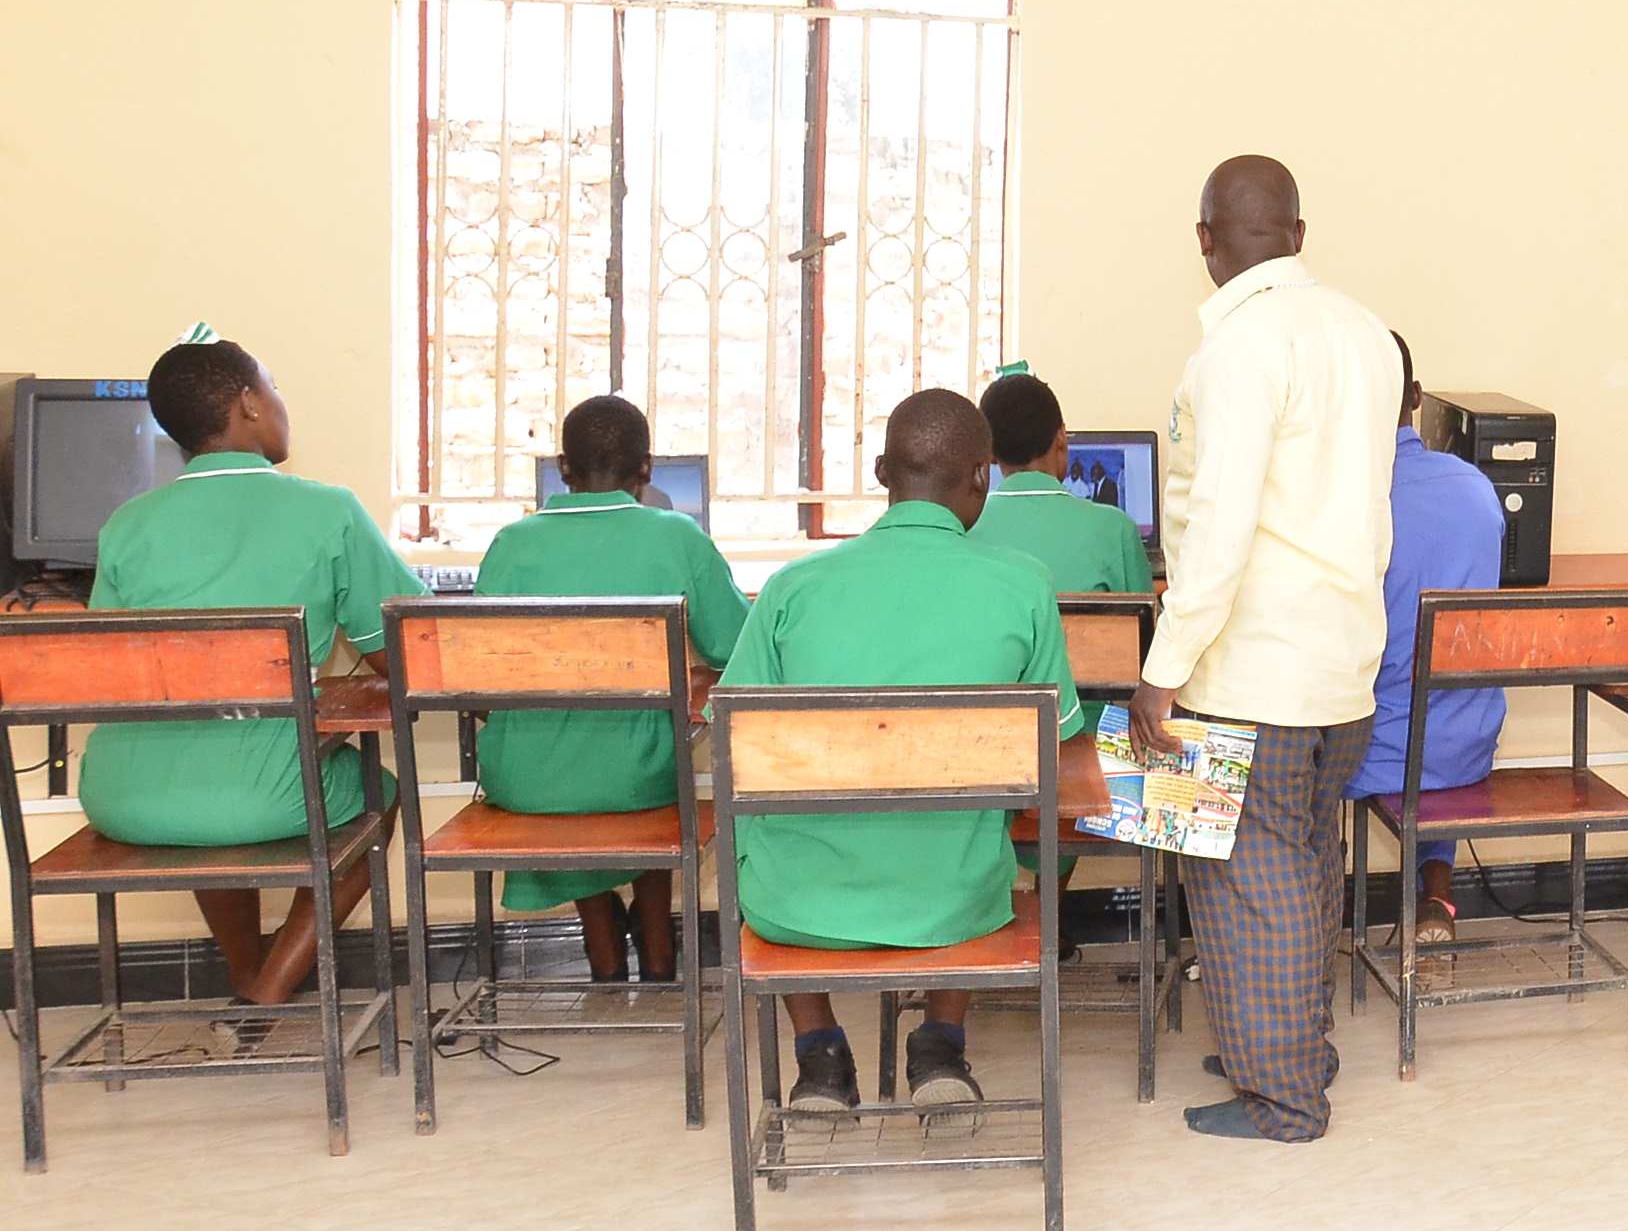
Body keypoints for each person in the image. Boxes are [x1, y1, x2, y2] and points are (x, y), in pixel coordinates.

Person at [1128, 155, 1402, 1142]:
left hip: (1250, 670)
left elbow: (1219, 527)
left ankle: (1286, 1096)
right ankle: (1278, 1044)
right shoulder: (1368, 334)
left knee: (1246, 877)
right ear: (1298, 230)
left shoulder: (1236, 348)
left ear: (1206, 237)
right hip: (1342, 662)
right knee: (1303, 866)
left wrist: (1161, 672)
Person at [715, 389, 1083, 1110]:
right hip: (957, 904)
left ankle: (819, 1053)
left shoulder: (791, 588)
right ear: (983, 477)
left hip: (795, 905)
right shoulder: (1024, 587)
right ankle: (940, 1040)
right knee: (983, 824)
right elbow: (1060, 750)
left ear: (883, 470)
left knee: (760, 811)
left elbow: (730, 739)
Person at [79, 337, 424, 1006]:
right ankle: (268, 992)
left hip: (125, 799)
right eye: (274, 388)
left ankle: (248, 974)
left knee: (209, 761)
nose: (280, 402)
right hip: (260, 797)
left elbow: (105, 667)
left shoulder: (125, 526)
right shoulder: (328, 511)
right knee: (378, 790)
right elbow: (406, 653)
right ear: (248, 405)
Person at [472, 393, 750, 984]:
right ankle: (656, 954)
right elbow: (738, 650)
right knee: (651, 742)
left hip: (526, 782)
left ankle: (603, 948)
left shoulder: (510, 543)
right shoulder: (677, 537)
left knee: (560, 752)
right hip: (638, 777)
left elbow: (481, 673)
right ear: (646, 468)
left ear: (563, 469)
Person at [1348, 331, 1505, 950]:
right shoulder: (1475, 486)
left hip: (1373, 751)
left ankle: (1301, 918)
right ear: (1415, 396)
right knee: (1432, 697)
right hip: (1467, 743)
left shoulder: (1343, 500)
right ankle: (1437, 894)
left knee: (1293, 739)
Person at [971, 369, 1153, 597]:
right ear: (1061, 436)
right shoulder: (1117, 529)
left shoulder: (965, 528)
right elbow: (1147, 628)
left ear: (990, 453)